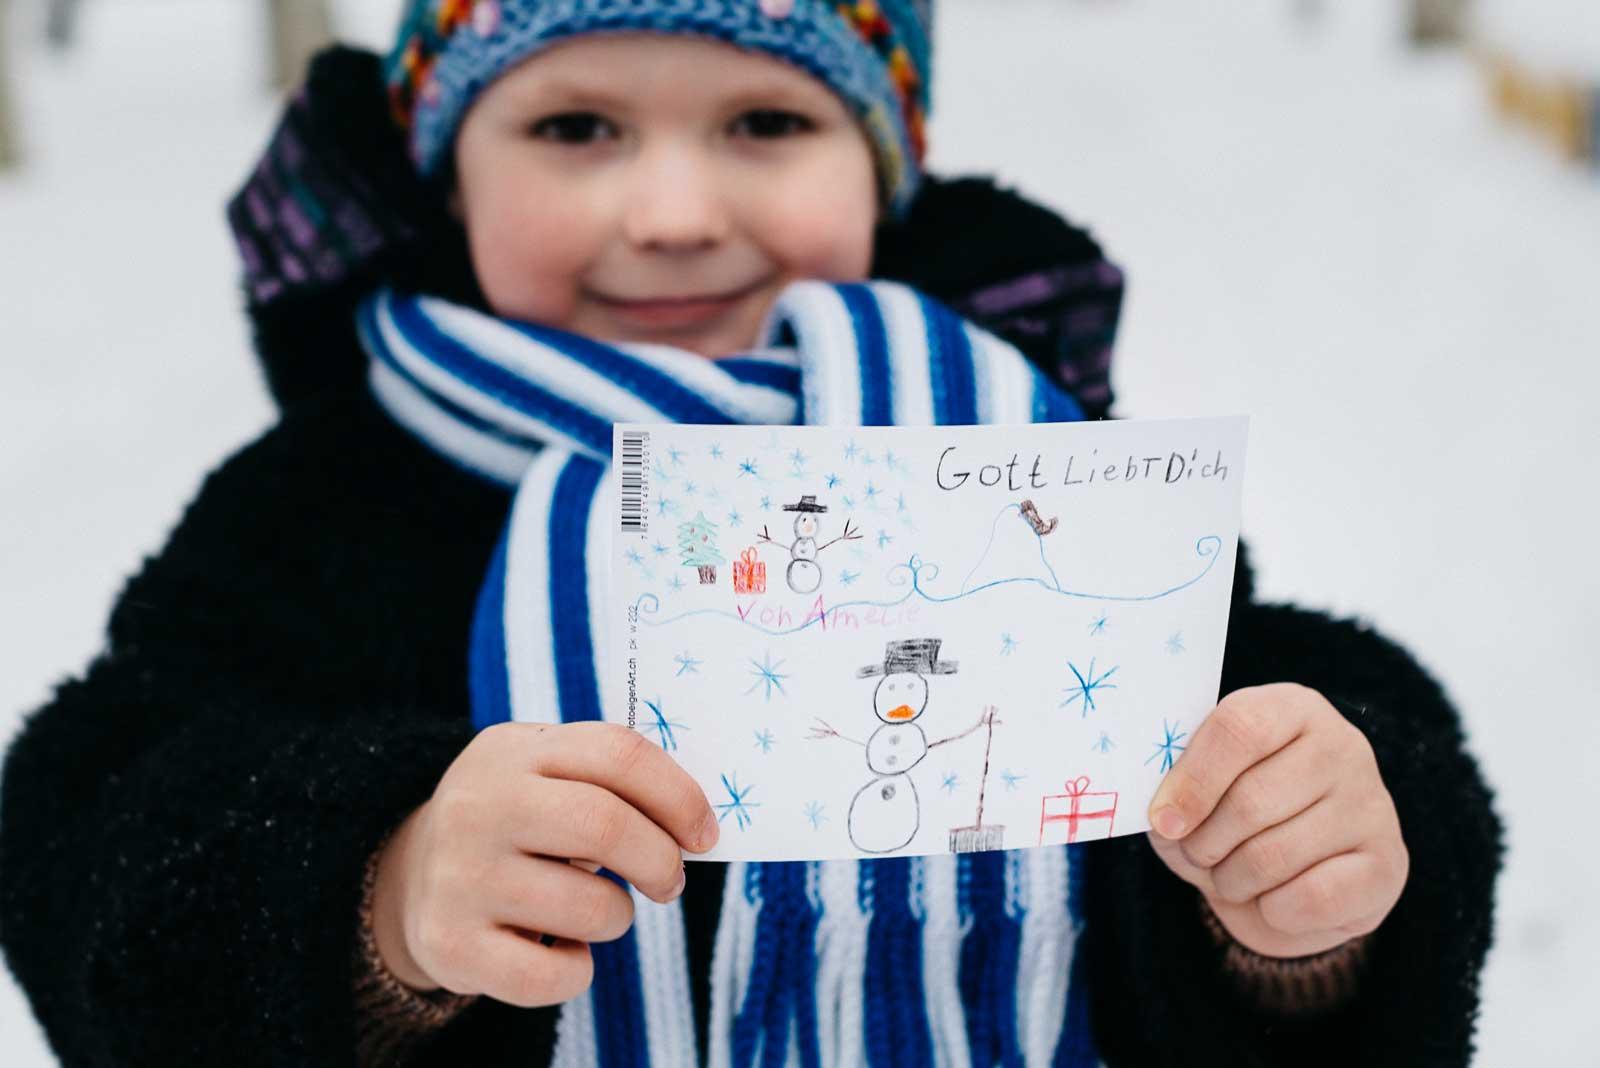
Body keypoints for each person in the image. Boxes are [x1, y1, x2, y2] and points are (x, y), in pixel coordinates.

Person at [0, 2, 1501, 1066]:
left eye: (766, 121)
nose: (669, 208)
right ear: (450, 169)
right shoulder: (337, 498)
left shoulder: (1022, 460)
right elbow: (95, 823)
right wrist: (374, 899)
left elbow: (1240, 735)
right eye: (576, 125)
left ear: (883, 161)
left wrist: (1302, 913)